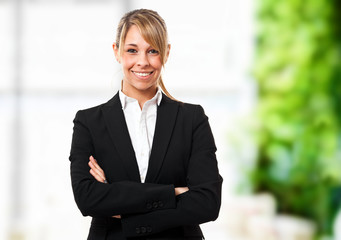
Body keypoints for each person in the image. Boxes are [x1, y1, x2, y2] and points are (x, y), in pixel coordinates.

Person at [69, 9, 222, 240]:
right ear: (117, 52)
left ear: (167, 53)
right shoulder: (88, 122)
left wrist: (119, 203)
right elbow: (88, 199)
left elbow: (207, 203)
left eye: (153, 51)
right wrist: (173, 192)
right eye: (132, 50)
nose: (142, 61)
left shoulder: (192, 119)